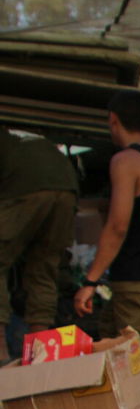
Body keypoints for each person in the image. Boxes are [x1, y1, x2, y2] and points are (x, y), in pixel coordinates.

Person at [74, 90, 140, 402]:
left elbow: (118, 225)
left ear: (113, 121)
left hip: (136, 275)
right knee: (109, 337)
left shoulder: (126, 161)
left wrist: (90, 280)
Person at [0, 129, 79, 362]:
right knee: (44, 267)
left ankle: (1, 351)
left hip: (25, 188)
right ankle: (40, 353)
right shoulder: (22, 139)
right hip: (67, 190)